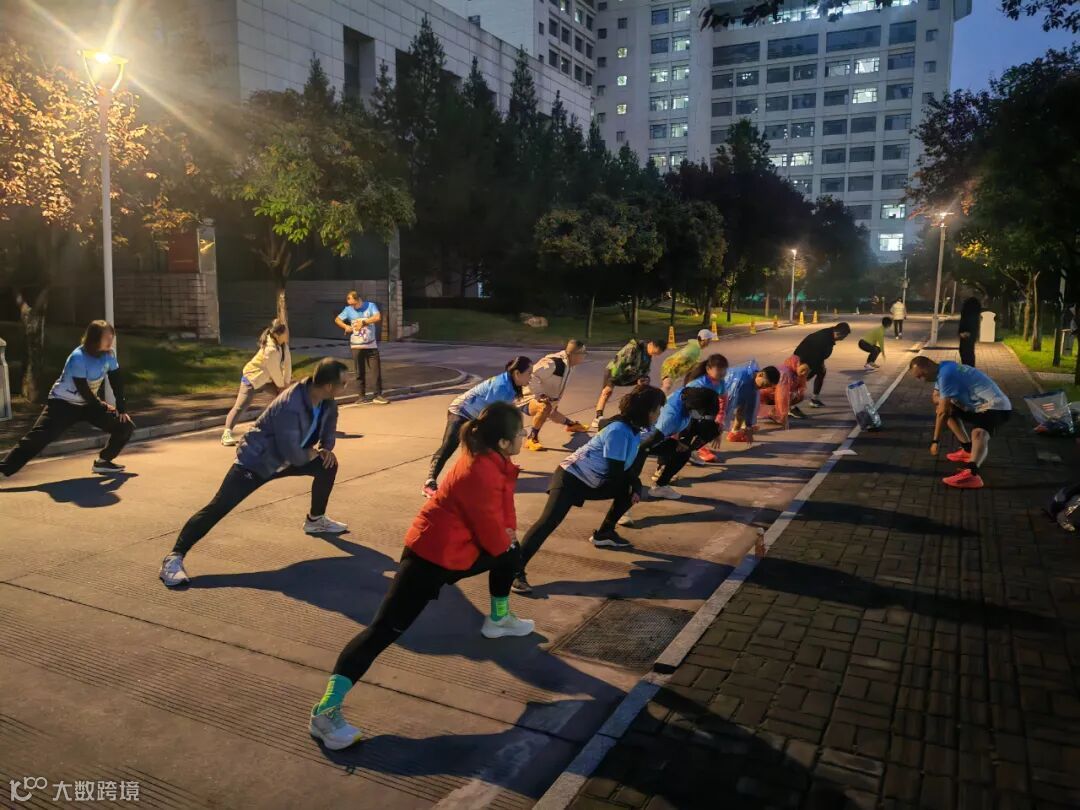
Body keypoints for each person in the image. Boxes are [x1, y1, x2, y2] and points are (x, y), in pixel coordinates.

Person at [308, 401, 535, 750]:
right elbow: (492, 535)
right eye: (520, 432)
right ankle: (324, 713)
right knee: (382, 631)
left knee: (510, 554)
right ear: (504, 442)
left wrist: (510, 537)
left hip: (456, 553)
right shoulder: (482, 472)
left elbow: (504, 514)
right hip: (429, 558)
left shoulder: (496, 462)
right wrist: (506, 540)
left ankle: (499, 618)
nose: (524, 436)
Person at [159, 359, 351, 587]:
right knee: (219, 506)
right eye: (343, 383)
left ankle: (315, 520)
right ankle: (173, 558)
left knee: (328, 465)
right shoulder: (291, 404)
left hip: (288, 458)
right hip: (257, 461)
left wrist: (326, 449)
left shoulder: (327, 401)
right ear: (329, 386)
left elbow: (328, 429)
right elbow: (293, 452)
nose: (346, 386)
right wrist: (313, 453)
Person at [512, 386, 668, 594]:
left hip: (593, 481)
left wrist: (636, 486)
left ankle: (605, 533)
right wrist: (634, 486)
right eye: (657, 410)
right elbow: (616, 471)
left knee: (629, 490)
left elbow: (626, 466)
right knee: (548, 522)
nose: (658, 415)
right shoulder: (619, 431)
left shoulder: (634, 429)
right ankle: (515, 571)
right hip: (570, 478)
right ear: (645, 411)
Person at [1, 320, 133, 478]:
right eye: (107, 338)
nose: (110, 341)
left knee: (125, 426)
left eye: (112, 337)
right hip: (63, 404)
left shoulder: (109, 355)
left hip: (88, 405)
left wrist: (121, 408)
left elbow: (116, 382)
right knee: (37, 438)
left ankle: (103, 462)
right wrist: (104, 407)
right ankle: (4, 468)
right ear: (94, 338)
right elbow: (83, 390)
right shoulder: (78, 357)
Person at [423, 356, 532, 498]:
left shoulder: (511, 384)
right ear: (517, 373)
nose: (531, 377)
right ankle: (429, 483)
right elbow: (491, 415)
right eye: (529, 373)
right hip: (460, 411)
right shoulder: (501, 387)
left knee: (486, 447)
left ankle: (489, 474)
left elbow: (506, 409)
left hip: (476, 416)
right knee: (450, 445)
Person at [909, 356, 1012, 489]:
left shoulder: (946, 374)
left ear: (928, 366)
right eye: (918, 377)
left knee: (978, 433)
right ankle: (968, 450)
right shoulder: (942, 370)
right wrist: (945, 401)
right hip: (977, 407)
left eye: (921, 375)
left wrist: (935, 441)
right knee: (947, 409)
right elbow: (935, 398)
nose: (922, 380)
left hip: (997, 407)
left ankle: (972, 474)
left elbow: (942, 412)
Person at [635, 385, 722, 500]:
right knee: (630, 484)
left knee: (684, 452)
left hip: (656, 436)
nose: (702, 416)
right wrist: (633, 479)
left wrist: (683, 442)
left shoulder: (685, 394)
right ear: (695, 406)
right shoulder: (671, 419)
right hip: (639, 443)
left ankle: (660, 487)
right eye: (702, 413)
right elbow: (643, 448)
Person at [222, 319, 292, 446]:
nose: (288, 334)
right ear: (277, 334)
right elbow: (275, 372)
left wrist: (286, 384)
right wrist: (282, 386)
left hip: (266, 380)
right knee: (241, 406)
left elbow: (287, 365)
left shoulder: (283, 345)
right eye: (286, 332)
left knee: (283, 398)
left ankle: (279, 429)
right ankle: (226, 433)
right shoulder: (270, 350)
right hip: (252, 379)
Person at [522, 339, 590, 451]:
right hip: (526, 398)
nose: (584, 357)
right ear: (574, 355)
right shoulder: (553, 362)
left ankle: (571, 425)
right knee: (545, 408)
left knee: (551, 411)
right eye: (583, 354)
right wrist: (540, 395)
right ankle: (531, 438)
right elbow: (532, 374)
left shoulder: (570, 364)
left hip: (545, 399)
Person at [589, 337, 667, 431]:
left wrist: (644, 377)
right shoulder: (634, 348)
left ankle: (637, 415)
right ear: (652, 345)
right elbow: (620, 363)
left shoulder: (648, 354)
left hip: (631, 375)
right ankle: (598, 417)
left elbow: (645, 369)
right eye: (655, 352)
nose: (655, 355)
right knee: (607, 392)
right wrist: (612, 380)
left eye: (657, 354)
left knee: (643, 388)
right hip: (615, 371)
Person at [334, 290, 386, 405]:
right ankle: (361, 396)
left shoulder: (370, 306)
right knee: (359, 371)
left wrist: (364, 322)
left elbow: (377, 317)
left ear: (359, 300)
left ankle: (377, 395)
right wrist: (345, 326)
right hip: (356, 345)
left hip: (371, 344)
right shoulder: (348, 310)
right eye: (350, 304)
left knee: (375, 370)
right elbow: (337, 319)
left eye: (354, 304)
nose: (352, 306)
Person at [793, 322, 851, 408]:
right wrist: (812, 368)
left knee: (820, 373)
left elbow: (821, 354)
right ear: (839, 333)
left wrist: (821, 364)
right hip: (803, 359)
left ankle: (814, 399)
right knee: (799, 381)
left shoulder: (829, 335)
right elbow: (815, 354)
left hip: (812, 358)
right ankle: (789, 405)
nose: (843, 339)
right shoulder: (824, 339)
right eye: (844, 336)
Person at [721, 361, 781, 443]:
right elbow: (727, 402)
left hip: (730, 396)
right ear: (760, 374)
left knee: (743, 408)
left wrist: (748, 426)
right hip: (715, 394)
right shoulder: (741, 380)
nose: (763, 388)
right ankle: (703, 443)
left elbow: (750, 407)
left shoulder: (753, 384)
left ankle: (735, 433)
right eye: (764, 384)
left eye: (767, 387)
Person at [660, 330, 717, 394]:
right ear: (704, 340)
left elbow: (691, 366)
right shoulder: (694, 350)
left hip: (669, 365)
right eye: (709, 340)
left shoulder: (695, 348)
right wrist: (669, 374)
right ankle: (657, 399)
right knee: (667, 386)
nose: (709, 342)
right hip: (669, 367)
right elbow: (679, 361)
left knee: (667, 386)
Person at [761, 355, 811, 427]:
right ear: (798, 364)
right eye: (803, 370)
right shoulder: (785, 374)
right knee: (789, 396)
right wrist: (782, 416)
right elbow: (781, 396)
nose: (803, 373)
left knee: (799, 396)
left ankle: (777, 411)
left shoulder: (795, 372)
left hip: (772, 394)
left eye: (806, 371)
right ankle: (773, 412)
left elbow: (801, 387)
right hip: (764, 396)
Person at [958, 297, 981, 367]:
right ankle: (968, 369)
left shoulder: (968, 313)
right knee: (969, 353)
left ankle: (967, 369)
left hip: (966, 335)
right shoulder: (975, 314)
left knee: (966, 354)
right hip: (970, 336)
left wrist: (963, 332)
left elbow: (964, 323)